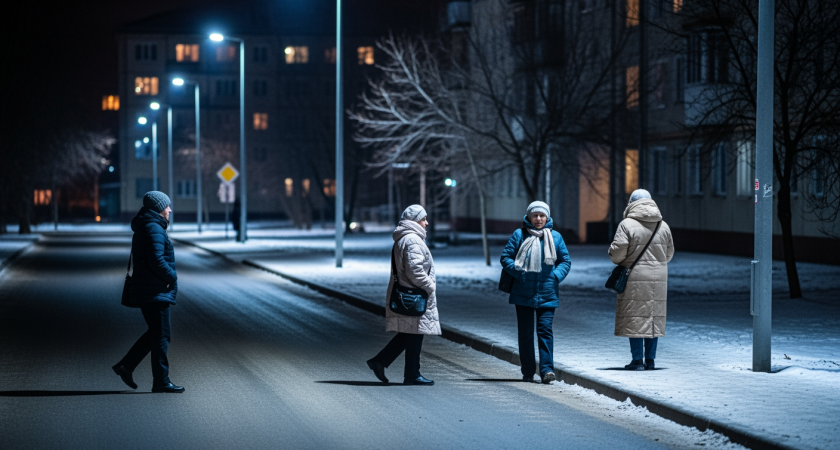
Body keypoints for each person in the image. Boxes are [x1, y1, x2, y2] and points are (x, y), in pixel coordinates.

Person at [113, 191, 185, 393]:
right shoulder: (153, 228)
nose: (170, 210)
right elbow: (156, 260)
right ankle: (161, 381)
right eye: (167, 206)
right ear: (159, 208)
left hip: (148, 288)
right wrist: (172, 276)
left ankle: (126, 366)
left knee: (156, 332)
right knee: (162, 335)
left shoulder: (147, 226)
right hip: (154, 290)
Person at [367, 204, 440, 385]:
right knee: (414, 333)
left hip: (408, 293)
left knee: (411, 333)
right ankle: (411, 374)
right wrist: (430, 286)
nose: (426, 223)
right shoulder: (412, 240)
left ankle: (382, 362)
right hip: (413, 295)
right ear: (415, 220)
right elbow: (415, 270)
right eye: (423, 219)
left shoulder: (405, 238)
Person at [500, 201, 571, 384]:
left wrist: (555, 276)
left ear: (547, 217)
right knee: (525, 333)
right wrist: (518, 272)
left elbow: (565, 261)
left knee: (545, 331)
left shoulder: (555, 237)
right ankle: (528, 371)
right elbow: (505, 257)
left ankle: (547, 370)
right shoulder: (519, 235)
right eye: (535, 215)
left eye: (542, 215)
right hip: (523, 292)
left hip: (547, 292)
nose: (538, 219)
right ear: (529, 217)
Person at [609, 189, 675, 371]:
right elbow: (669, 254)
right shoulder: (663, 225)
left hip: (634, 275)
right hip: (659, 277)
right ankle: (651, 360)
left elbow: (617, 253)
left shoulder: (626, 224)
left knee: (635, 316)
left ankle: (637, 360)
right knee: (653, 316)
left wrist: (614, 254)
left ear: (631, 203)